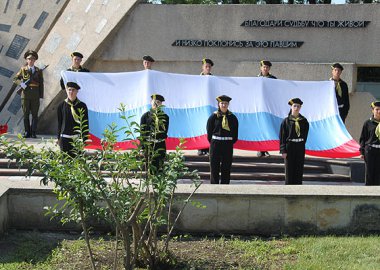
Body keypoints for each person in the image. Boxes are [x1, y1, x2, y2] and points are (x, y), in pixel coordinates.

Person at [207, 95, 239, 184]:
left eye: (226, 103)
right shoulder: (213, 117)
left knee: (226, 166)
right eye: (222, 103)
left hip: (227, 144)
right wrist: (214, 141)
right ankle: (214, 186)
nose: (224, 105)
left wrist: (229, 142)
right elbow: (209, 132)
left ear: (228, 105)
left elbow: (235, 134)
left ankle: (225, 186)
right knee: (214, 166)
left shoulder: (233, 118)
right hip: (215, 144)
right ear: (218, 104)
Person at [13, 50, 44, 138]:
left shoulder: (38, 70)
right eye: (29, 59)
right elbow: (15, 79)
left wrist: (41, 96)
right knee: (26, 114)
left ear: (35, 60)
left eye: (33, 59)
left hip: (35, 95)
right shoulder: (23, 69)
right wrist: (21, 84)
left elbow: (41, 83)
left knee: (35, 115)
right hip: (25, 95)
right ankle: (27, 132)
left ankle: (33, 132)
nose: (31, 60)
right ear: (26, 60)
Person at [279, 98, 309, 185]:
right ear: (291, 107)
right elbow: (282, 136)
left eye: (298, 106)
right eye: (294, 106)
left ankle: (298, 188)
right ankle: (289, 188)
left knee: (299, 168)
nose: (296, 108)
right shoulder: (286, 121)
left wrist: (301, 144)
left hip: (300, 146)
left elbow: (305, 134)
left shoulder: (304, 121)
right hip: (290, 146)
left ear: (300, 108)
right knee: (289, 169)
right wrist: (283, 150)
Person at [57, 82, 89, 157]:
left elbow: (85, 123)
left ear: (77, 91)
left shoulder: (82, 106)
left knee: (77, 163)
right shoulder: (61, 105)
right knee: (65, 163)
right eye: (69, 90)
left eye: (73, 90)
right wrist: (58, 137)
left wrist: (84, 138)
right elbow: (59, 123)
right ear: (66, 91)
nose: (71, 92)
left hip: (77, 139)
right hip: (64, 138)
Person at [140, 94, 169, 173]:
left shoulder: (165, 117)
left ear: (161, 104)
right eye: (154, 102)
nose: (156, 104)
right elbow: (142, 134)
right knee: (149, 168)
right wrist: (142, 147)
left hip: (159, 145)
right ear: (151, 102)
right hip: (148, 146)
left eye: (158, 102)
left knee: (159, 167)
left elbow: (164, 132)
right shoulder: (145, 116)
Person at [257, 60, 277, 157]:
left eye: (267, 67)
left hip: (268, 108)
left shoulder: (273, 79)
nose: (265, 68)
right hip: (259, 108)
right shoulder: (256, 79)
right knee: (260, 128)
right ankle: (260, 149)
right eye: (264, 67)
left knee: (267, 127)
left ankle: (265, 149)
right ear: (261, 68)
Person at [359, 101, 380, 186]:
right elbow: (363, 138)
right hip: (370, 150)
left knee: (378, 173)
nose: (379, 111)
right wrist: (362, 152)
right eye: (377, 109)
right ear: (373, 110)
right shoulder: (368, 123)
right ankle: (368, 192)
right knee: (369, 172)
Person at [198, 58, 214, 156]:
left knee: (210, 127)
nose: (207, 68)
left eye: (209, 67)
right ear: (202, 67)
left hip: (209, 107)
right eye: (206, 66)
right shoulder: (197, 78)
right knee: (200, 127)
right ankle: (200, 148)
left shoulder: (214, 78)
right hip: (200, 107)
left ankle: (208, 148)